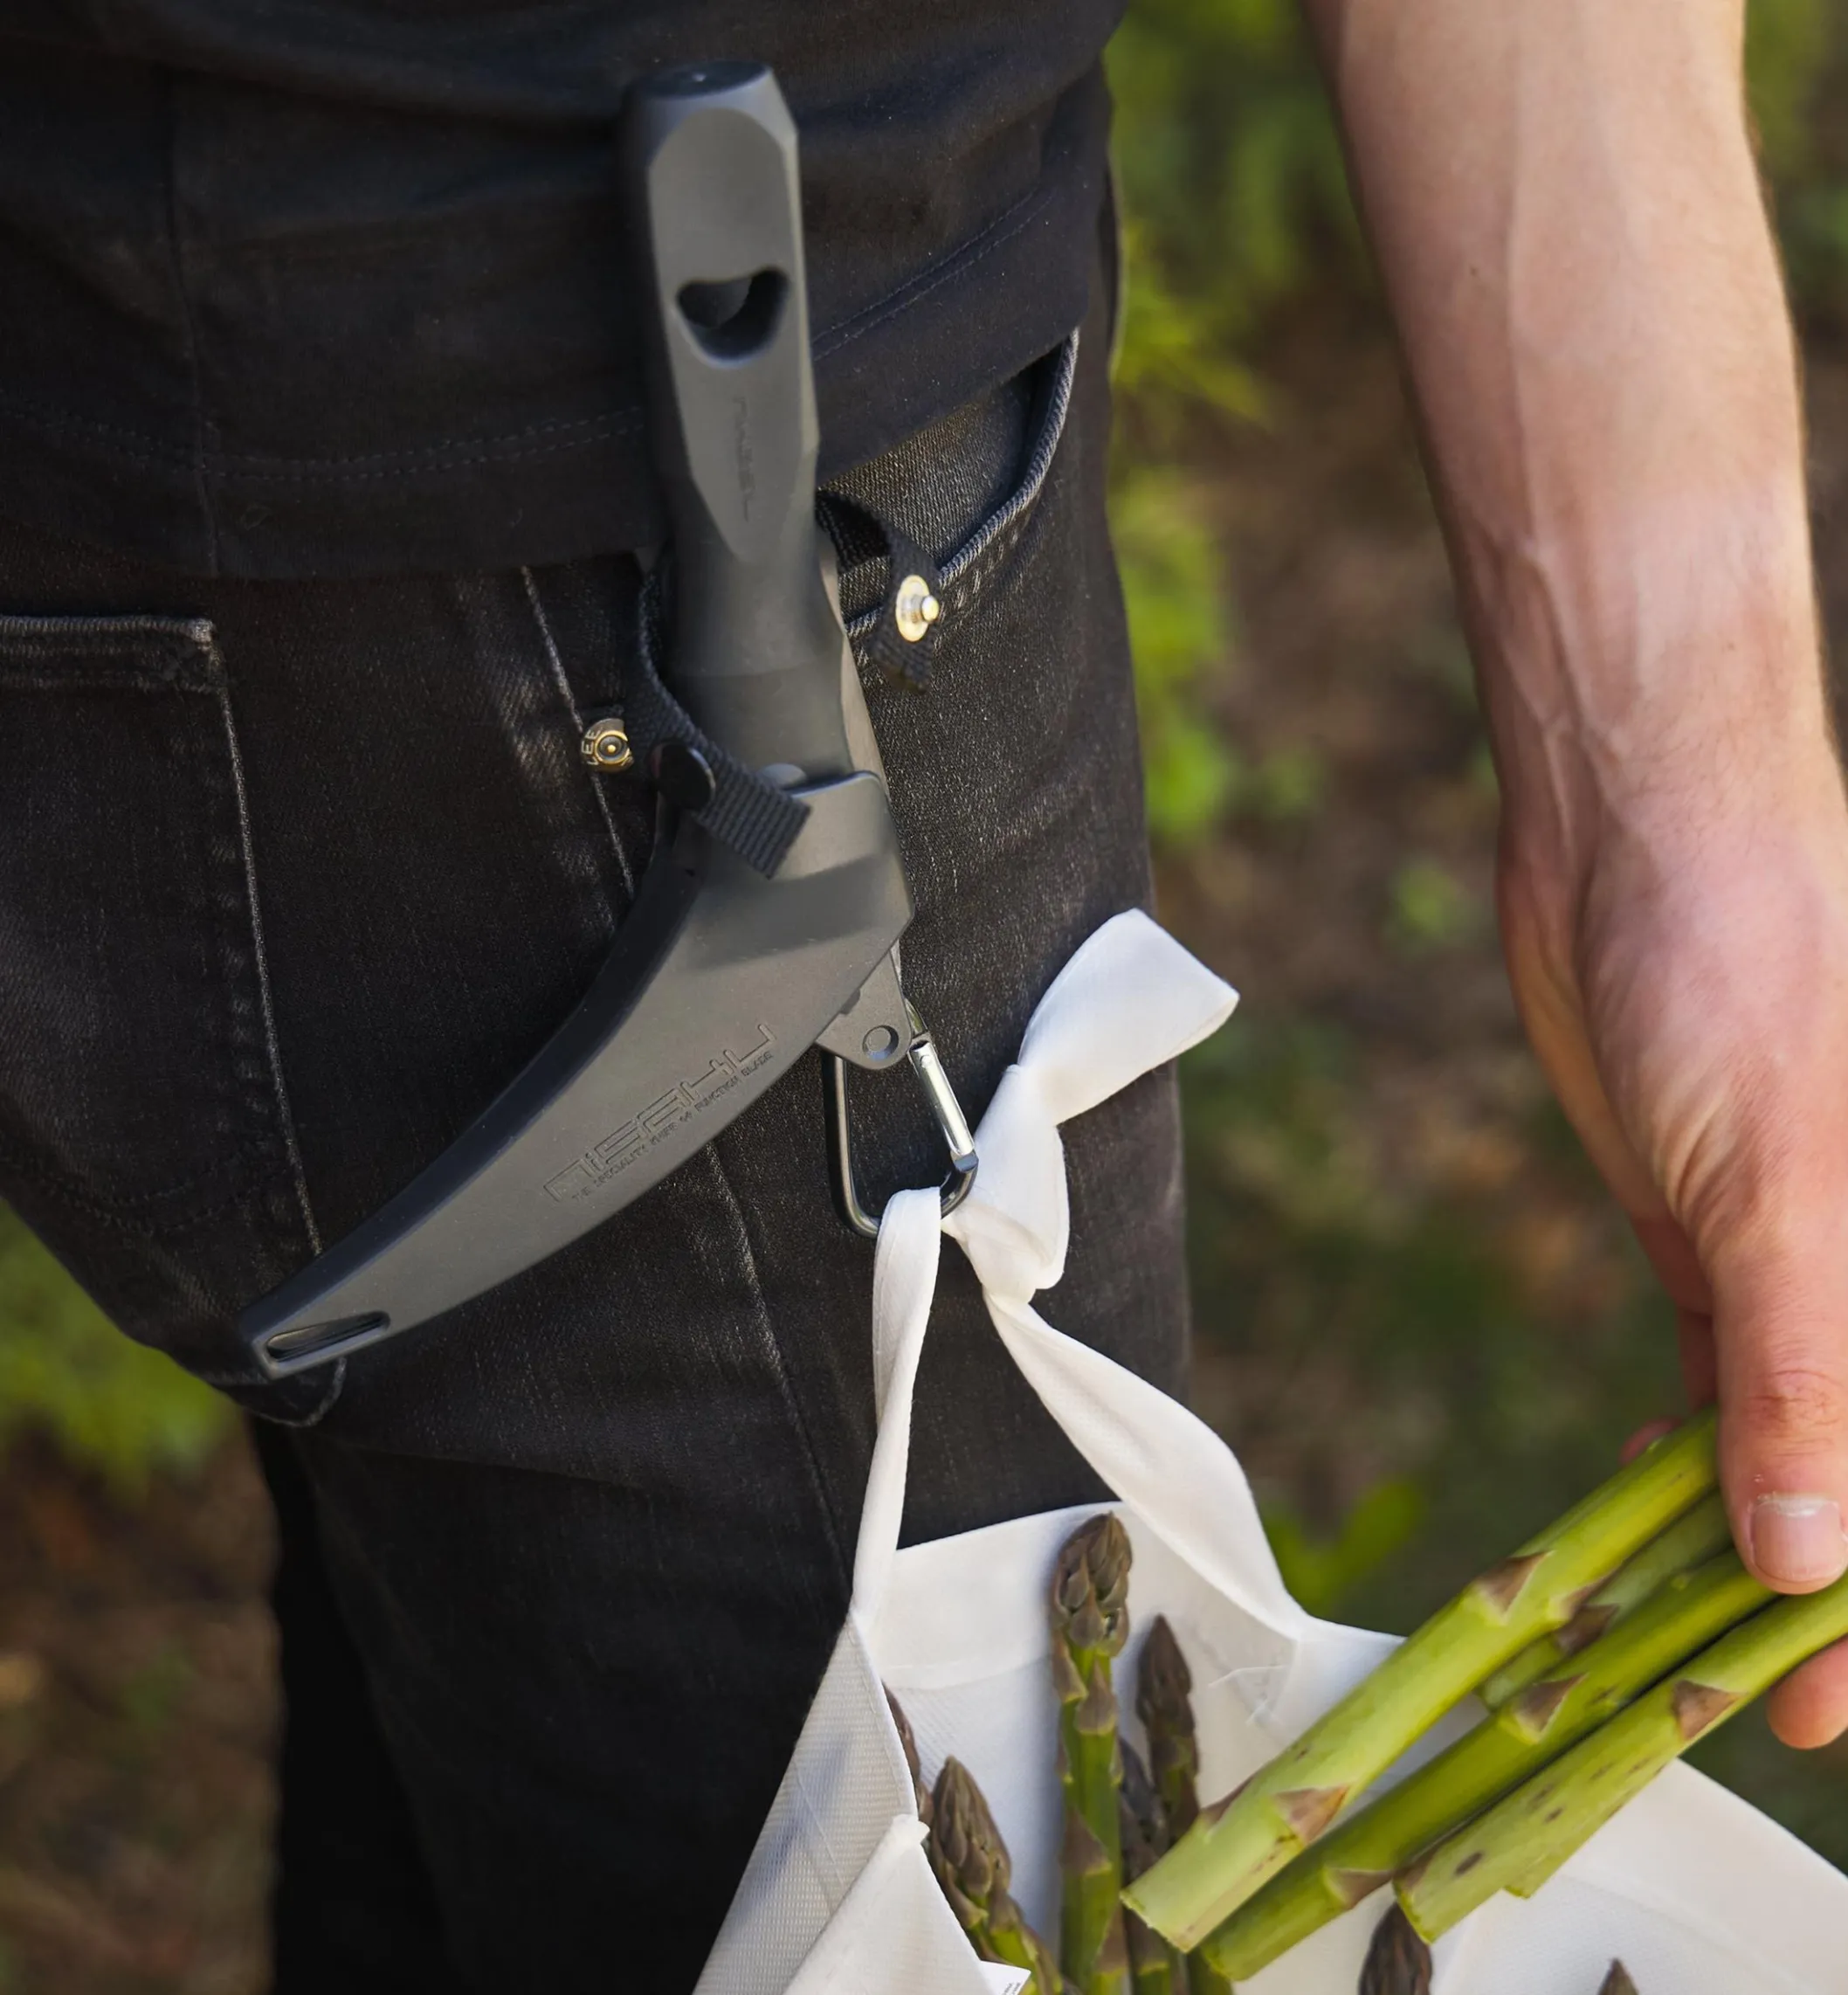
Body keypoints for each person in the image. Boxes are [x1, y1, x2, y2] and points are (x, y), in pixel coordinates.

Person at [0, 1, 1842, 1986]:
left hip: (152, 349)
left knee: (489, 1743)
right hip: (685, 487)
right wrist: (1672, 769)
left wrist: (1678, 794)